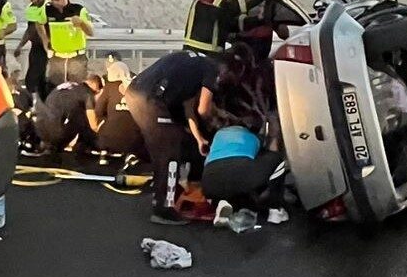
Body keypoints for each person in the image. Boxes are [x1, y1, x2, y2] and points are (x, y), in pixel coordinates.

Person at [126, 50, 222, 225]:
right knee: (171, 151)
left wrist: (199, 138)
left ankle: (161, 194)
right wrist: (217, 122)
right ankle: (164, 208)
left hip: (134, 93)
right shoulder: (212, 69)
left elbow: (188, 109)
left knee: (162, 146)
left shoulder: (190, 65)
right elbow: (202, 109)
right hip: (152, 99)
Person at [202, 49, 289, 224]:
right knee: (276, 161)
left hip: (208, 182)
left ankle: (222, 203)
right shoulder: (252, 138)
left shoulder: (218, 137)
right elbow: (270, 149)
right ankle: (275, 210)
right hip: (241, 176)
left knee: (235, 177)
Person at [33, 74, 104, 156]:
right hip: (57, 133)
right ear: (94, 85)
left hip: (40, 128)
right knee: (83, 114)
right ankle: (83, 146)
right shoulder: (87, 93)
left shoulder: (68, 86)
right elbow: (93, 124)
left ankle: (49, 145)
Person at [90, 60, 146, 160]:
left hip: (108, 140)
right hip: (134, 141)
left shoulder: (109, 87)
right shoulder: (138, 88)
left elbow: (98, 110)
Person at [43, 0, 94, 86]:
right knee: (54, 89)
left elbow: (91, 32)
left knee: (77, 90)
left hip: (76, 59)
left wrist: (81, 23)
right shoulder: (48, 11)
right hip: (56, 58)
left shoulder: (78, 10)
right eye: (52, 0)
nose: (55, 3)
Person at [13, 0, 49, 97]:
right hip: (35, 47)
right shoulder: (31, 7)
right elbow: (30, 29)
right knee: (34, 78)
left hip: (46, 47)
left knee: (37, 78)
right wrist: (20, 45)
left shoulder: (46, 6)